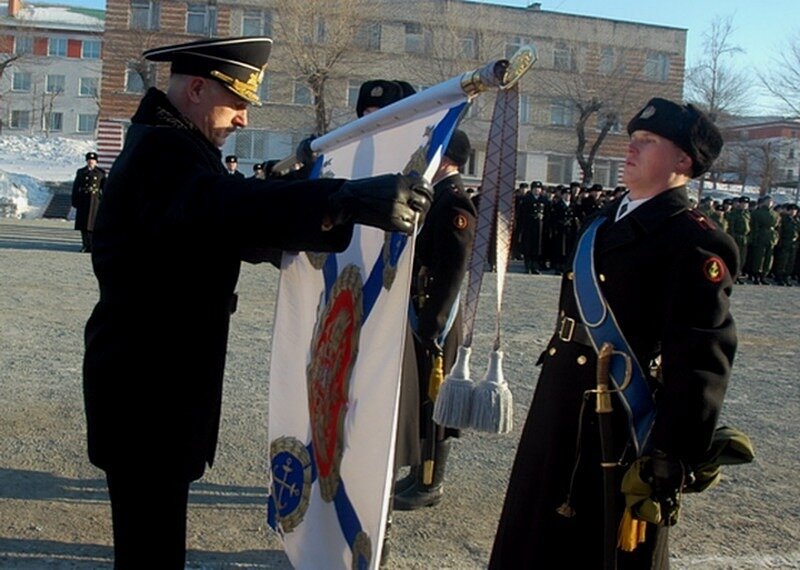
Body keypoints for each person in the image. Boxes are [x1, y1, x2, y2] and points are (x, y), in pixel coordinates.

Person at [80, 37, 432, 569]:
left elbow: (224, 227)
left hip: (152, 386)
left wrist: (305, 203)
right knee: (149, 547)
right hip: (147, 390)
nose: (244, 119)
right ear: (197, 89)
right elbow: (223, 207)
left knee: (152, 542)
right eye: (237, 102)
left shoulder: (179, 148)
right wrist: (342, 198)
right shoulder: (162, 150)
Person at [489, 97, 738, 569]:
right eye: (633, 139)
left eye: (647, 142)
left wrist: (672, 451)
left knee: (598, 546)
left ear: (682, 161)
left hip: (619, 414)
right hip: (561, 396)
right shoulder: (604, 219)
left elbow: (701, 354)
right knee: (534, 532)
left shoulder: (694, 239)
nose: (631, 149)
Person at [394, 129, 477, 512]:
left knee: (436, 401)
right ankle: (417, 472)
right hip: (423, 311)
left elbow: (453, 270)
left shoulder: (454, 201)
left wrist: (433, 324)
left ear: (445, 159)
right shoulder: (435, 197)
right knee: (421, 399)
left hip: (438, 318)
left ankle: (431, 482)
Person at [71, 151, 106, 253]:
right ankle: (85, 245)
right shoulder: (81, 172)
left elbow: (104, 188)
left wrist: (104, 202)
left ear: (96, 162)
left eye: (93, 160)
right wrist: (75, 200)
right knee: (84, 224)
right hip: (83, 200)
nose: (91, 162)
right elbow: (76, 187)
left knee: (93, 225)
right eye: (89, 160)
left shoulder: (100, 173)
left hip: (95, 201)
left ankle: (92, 245)